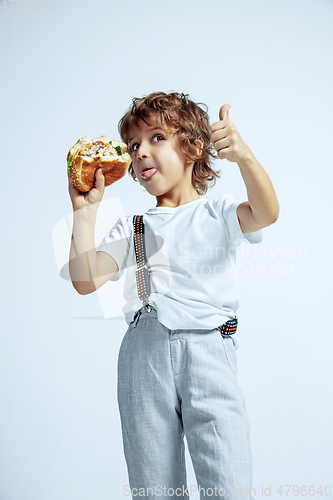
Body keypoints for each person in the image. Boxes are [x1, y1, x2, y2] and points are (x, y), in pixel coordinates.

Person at [68, 91, 279, 499]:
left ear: (194, 148)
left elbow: (266, 212)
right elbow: (84, 279)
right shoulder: (135, 227)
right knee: (154, 487)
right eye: (133, 146)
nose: (140, 153)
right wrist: (85, 212)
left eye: (156, 138)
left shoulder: (218, 211)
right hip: (143, 355)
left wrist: (245, 158)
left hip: (209, 350)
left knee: (228, 482)